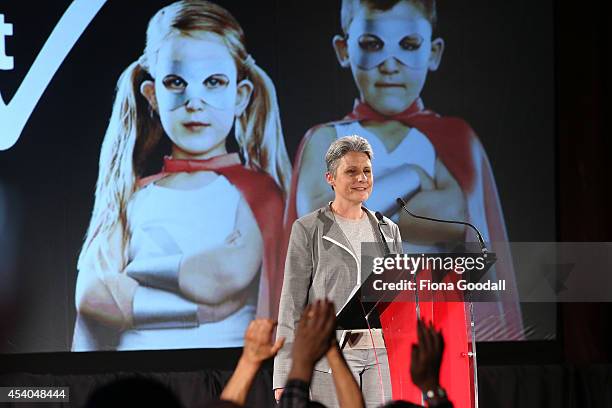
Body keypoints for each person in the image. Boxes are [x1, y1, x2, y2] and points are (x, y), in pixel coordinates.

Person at [285, 0, 523, 405]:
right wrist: (415, 177)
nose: (390, 63)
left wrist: (365, 211)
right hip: (350, 331)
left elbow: (456, 216)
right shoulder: (325, 137)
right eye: (373, 44)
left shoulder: (453, 137)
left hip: (429, 321)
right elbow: (324, 221)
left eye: (408, 44)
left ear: (433, 52)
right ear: (345, 50)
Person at [72, 0, 291, 351]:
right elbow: (90, 298)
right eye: (176, 82)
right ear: (152, 95)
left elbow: (222, 276)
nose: (194, 100)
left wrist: (133, 277)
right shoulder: (132, 195)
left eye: (214, 82)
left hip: (224, 383)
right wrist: (197, 310)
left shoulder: (258, 193)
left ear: (240, 95)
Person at [274, 136, 402, 408]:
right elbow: (291, 304)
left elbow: (397, 299)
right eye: (351, 171)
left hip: (383, 354)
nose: (362, 178)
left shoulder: (387, 229)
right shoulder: (309, 228)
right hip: (332, 354)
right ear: (330, 178)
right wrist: (284, 373)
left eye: (367, 171)